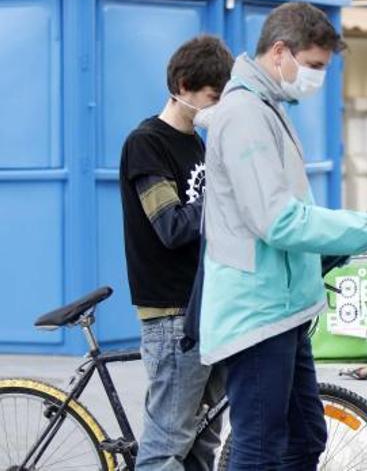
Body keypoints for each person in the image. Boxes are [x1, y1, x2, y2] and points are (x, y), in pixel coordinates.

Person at [197, 2, 367, 469]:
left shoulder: (266, 108)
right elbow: (278, 220)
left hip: (284, 310)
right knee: (260, 449)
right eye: (314, 65)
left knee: (305, 437)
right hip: (257, 315)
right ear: (281, 52)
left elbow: (293, 212)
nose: (317, 78)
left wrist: (355, 226)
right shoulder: (244, 116)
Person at [118, 35, 233, 470]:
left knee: (203, 443)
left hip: (205, 306)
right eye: (213, 97)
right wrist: (229, 197)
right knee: (166, 446)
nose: (218, 107)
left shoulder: (198, 142)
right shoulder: (146, 143)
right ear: (183, 86)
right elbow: (171, 226)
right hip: (171, 314)